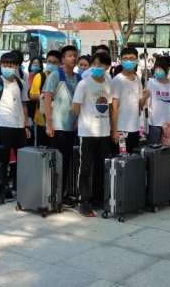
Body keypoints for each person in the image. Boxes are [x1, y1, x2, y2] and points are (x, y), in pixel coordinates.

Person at [73, 52, 113, 217]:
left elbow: (109, 105)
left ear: (107, 67)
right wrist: (85, 117)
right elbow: (75, 108)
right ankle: (83, 202)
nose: (98, 68)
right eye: (95, 64)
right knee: (86, 167)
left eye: (102, 65)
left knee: (100, 167)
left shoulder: (108, 83)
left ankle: (98, 198)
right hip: (87, 133)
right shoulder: (83, 84)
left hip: (104, 132)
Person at [0, 52, 30, 197]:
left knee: (21, 161)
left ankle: (19, 187)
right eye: (5, 65)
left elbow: (24, 106)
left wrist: (26, 125)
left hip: (18, 128)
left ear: (17, 66)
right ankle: (3, 189)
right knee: (2, 161)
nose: (8, 68)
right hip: (2, 127)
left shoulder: (21, 84)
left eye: (11, 65)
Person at [42, 45, 80, 201]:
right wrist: (49, 124)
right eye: (69, 55)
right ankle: (53, 194)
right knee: (56, 162)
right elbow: (47, 99)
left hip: (71, 127)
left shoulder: (79, 78)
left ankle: (62, 194)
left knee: (67, 161)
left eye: (75, 55)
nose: (73, 58)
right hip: (57, 127)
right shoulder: (55, 75)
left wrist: (77, 120)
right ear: (63, 59)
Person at [111, 47, 144, 154]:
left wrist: (146, 96)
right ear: (121, 61)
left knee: (133, 161)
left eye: (132, 58)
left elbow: (140, 106)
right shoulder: (118, 80)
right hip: (121, 130)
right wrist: (115, 130)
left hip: (134, 128)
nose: (129, 61)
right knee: (122, 161)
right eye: (125, 58)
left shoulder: (137, 79)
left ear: (137, 60)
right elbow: (114, 108)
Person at [143, 55, 170, 144]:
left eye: (161, 69)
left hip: (169, 125)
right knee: (154, 151)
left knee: (167, 151)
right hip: (154, 124)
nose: (158, 71)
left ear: (167, 69)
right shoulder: (150, 82)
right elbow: (145, 104)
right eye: (157, 68)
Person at [27, 56, 47, 147]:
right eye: (33, 63)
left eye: (37, 64)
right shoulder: (26, 76)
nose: (35, 66)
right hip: (28, 108)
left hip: (38, 109)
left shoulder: (42, 76)